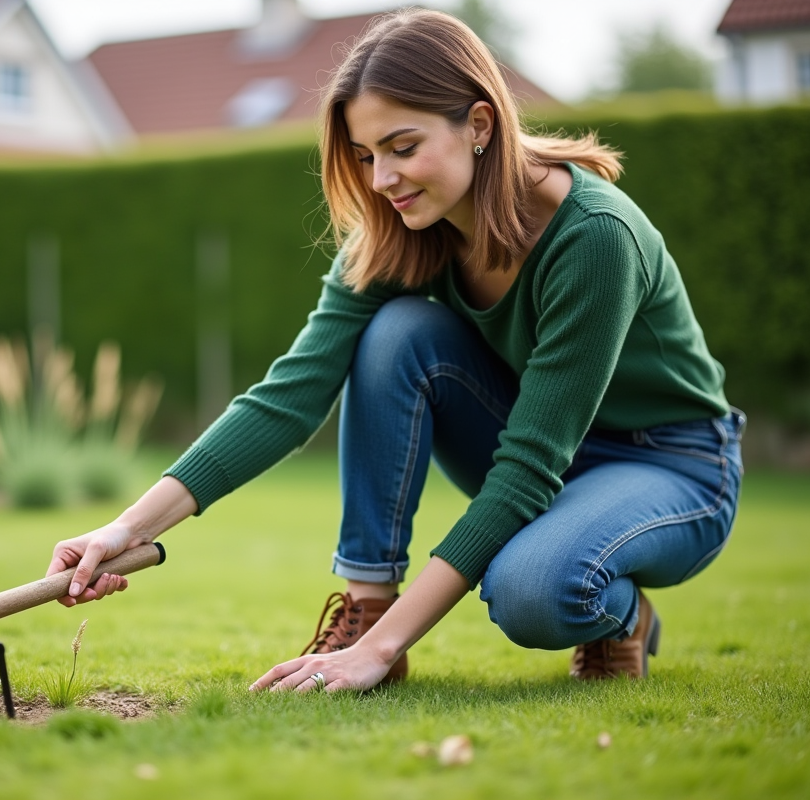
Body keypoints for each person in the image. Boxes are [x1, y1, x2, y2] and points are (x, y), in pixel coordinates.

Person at [45, 8, 745, 693]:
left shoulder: (594, 237)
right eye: (366, 155)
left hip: (671, 463)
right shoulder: (401, 227)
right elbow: (291, 395)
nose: (381, 179)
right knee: (397, 335)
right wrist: (123, 527)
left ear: (478, 124)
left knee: (532, 592)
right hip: (554, 463)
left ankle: (617, 614)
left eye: (402, 147)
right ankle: (366, 603)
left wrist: (381, 653)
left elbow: (529, 467)